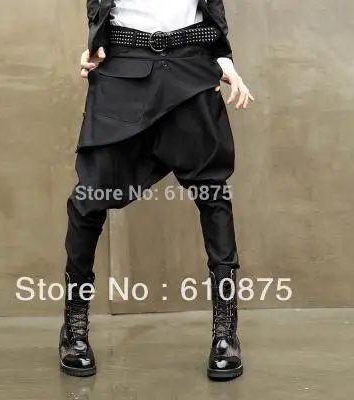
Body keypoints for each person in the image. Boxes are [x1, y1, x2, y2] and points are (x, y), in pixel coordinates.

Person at [59, 0, 254, 380]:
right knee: (88, 200)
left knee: (213, 195)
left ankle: (225, 334)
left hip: (191, 70)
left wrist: (225, 62)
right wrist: (96, 44)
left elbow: (211, 11)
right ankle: (74, 327)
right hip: (122, 71)